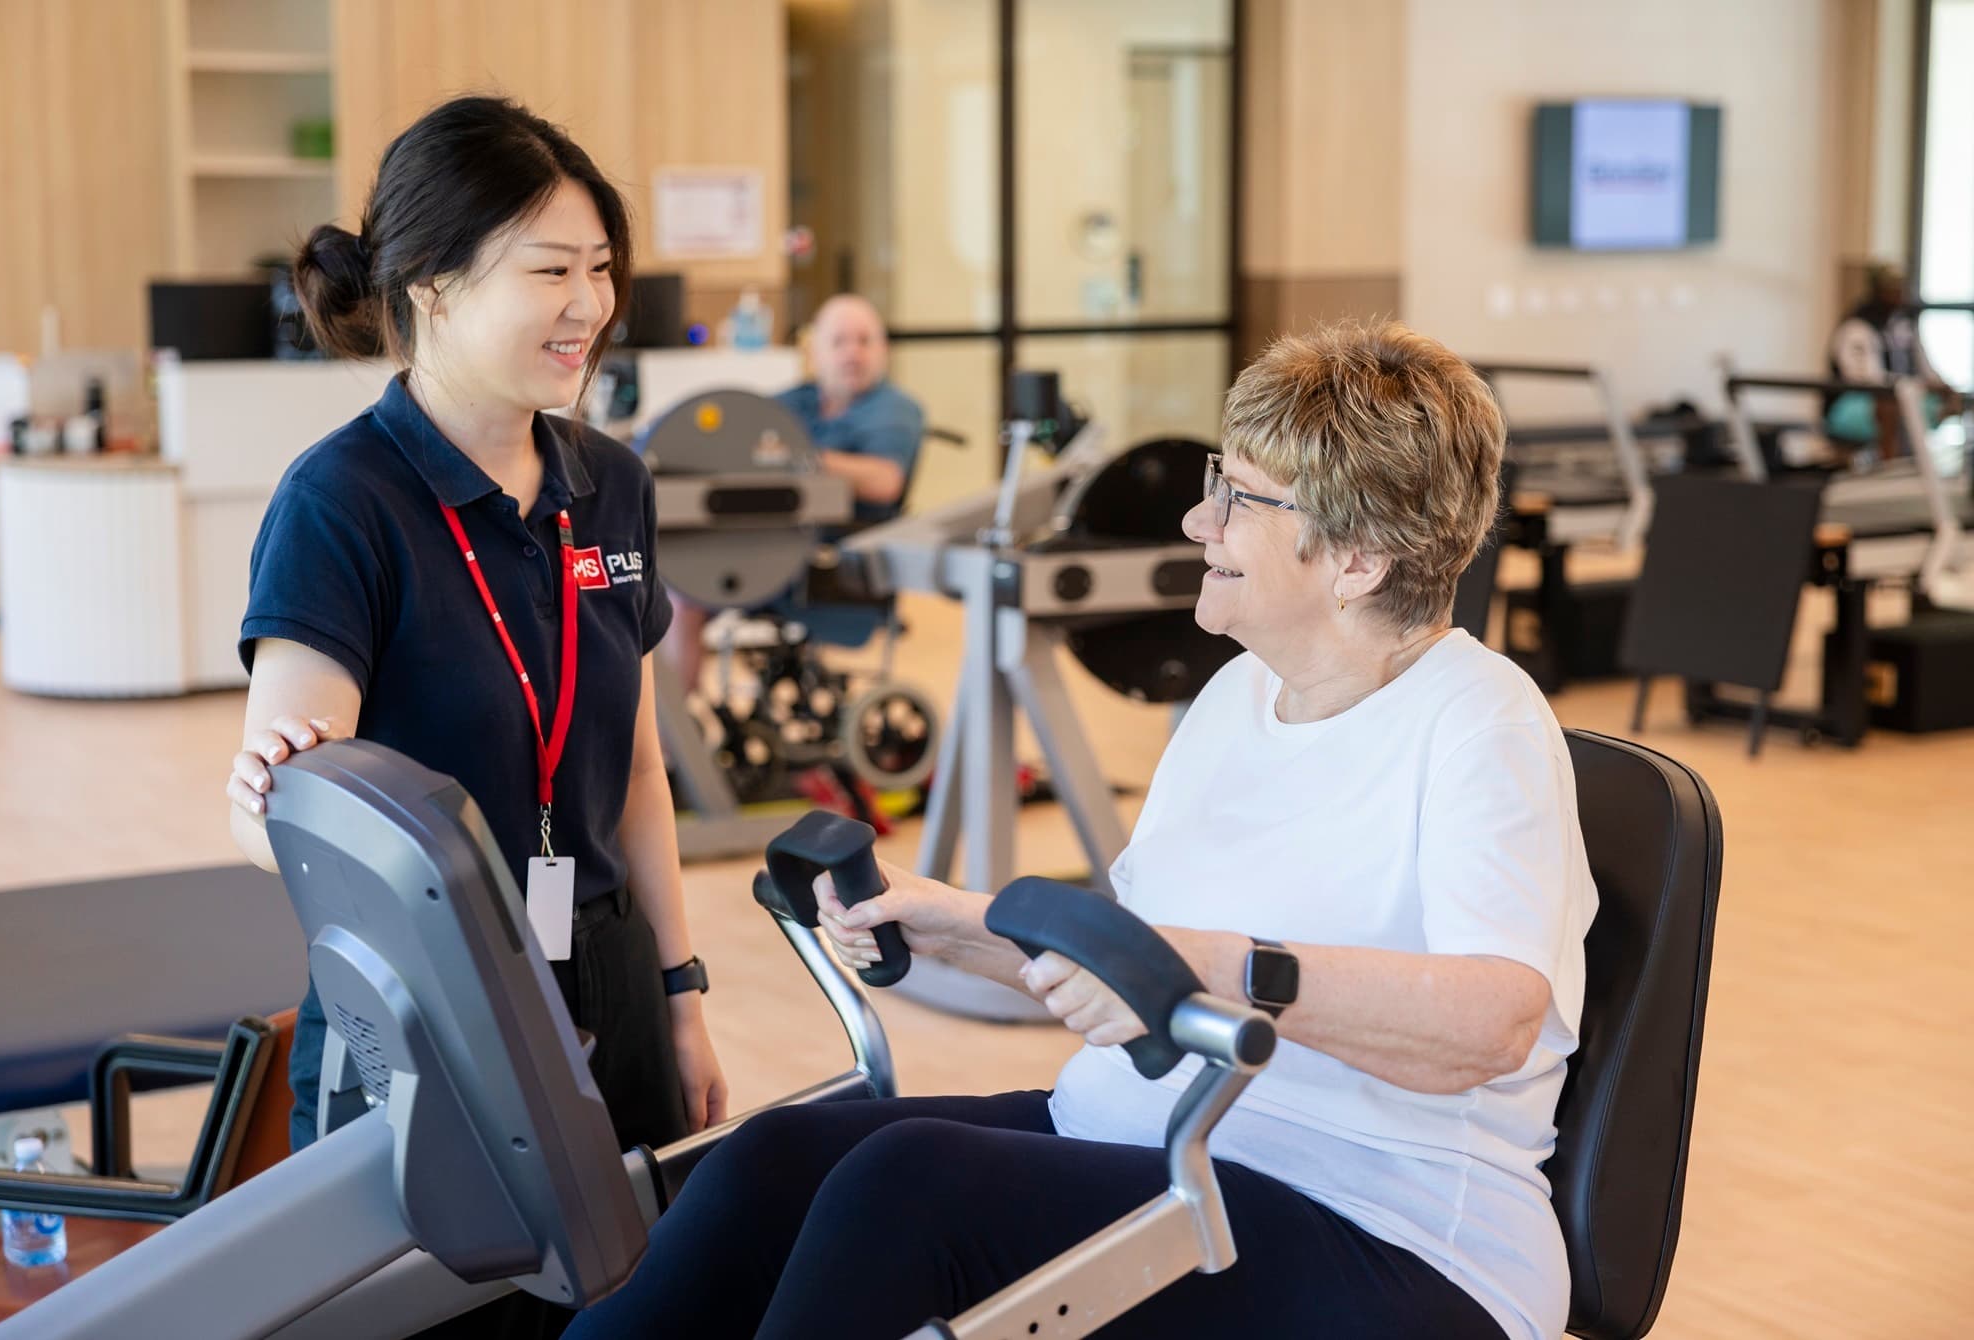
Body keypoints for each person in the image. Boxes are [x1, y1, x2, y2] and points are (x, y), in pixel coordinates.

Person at [565, 321, 1598, 1340]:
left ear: (1358, 559)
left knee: (907, 1188)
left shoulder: (1480, 722)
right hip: (1153, 1141)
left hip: (1384, 1221)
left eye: (1239, 499)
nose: (1198, 520)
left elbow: (1493, 1021)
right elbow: (1134, 965)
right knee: (773, 1160)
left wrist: (1219, 969)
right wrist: (949, 922)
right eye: (1217, 481)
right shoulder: (1237, 696)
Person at [224, 96, 726, 1338]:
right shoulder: (341, 500)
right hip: (435, 997)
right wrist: (272, 789)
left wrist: (679, 994)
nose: (589, 303)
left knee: (636, 1304)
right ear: (432, 287)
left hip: (607, 963)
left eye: (600, 267)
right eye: (549, 270)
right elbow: (291, 806)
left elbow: (636, 772)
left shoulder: (610, 483)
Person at [658, 293, 924, 683]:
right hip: (768, 540)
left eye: (864, 341)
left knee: (684, 590)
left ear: (883, 349)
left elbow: (885, 482)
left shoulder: (893, 410)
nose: (853, 353)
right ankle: (664, 714)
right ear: (815, 352)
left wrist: (801, 457)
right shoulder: (798, 400)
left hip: (833, 563)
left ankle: (671, 720)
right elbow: (742, 435)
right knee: (662, 580)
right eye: (839, 342)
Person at [1825, 263, 1965, 461]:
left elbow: (1926, 368)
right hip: (1858, 402)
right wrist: (1915, 385)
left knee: (1948, 399)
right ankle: (1889, 464)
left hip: (1906, 393)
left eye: (1900, 288)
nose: (1899, 294)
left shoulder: (1904, 325)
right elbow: (1865, 378)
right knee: (1890, 404)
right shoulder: (1857, 326)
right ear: (1878, 290)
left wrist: (1941, 387)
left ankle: (1926, 462)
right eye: (1891, 288)